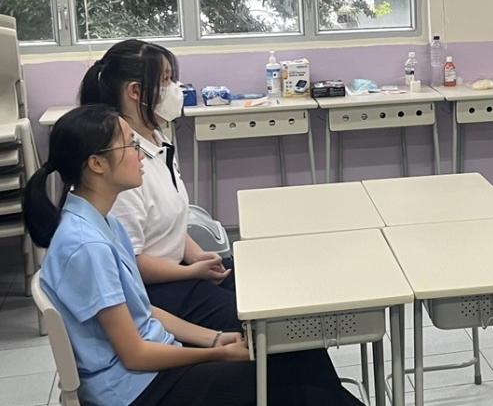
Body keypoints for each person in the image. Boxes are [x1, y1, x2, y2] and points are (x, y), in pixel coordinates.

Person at [24, 105, 363, 405]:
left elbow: (143, 311)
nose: (141, 155)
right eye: (130, 145)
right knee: (295, 376)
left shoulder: (103, 222)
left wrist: (216, 339)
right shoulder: (87, 246)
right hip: (137, 389)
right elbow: (135, 355)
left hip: (148, 370)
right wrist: (216, 355)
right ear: (96, 163)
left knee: (295, 350)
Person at [79, 39, 238, 331]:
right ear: (135, 91)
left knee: (267, 288)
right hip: (153, 291)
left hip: (179, 272)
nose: (175, 88)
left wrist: (196, 256)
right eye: (165, 80)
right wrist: (192, 272)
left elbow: (168, 223)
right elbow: (130, 261)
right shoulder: (122, 164)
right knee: (263, 320)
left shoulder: (155, 140)